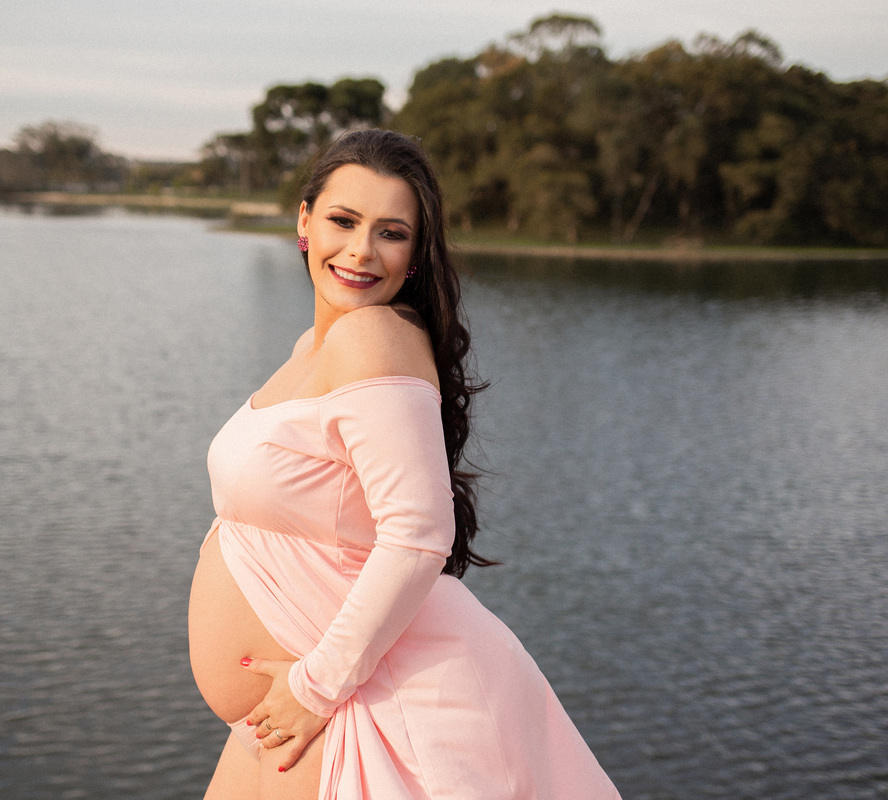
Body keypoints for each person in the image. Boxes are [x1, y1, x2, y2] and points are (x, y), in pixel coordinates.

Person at [188, 129, 621, 800]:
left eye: (391, 232)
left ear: (416, 254)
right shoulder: (315, 344)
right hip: (314, 696)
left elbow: (419, 534)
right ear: (304, 221)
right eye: (343, 220)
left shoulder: (372, 335)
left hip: (359, 701)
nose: (361, 250)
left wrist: (313, 687)